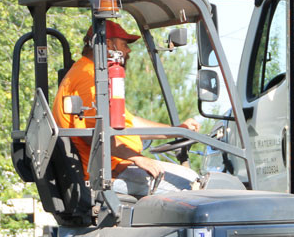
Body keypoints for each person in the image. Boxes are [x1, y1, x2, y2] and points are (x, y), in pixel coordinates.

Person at [52, 20, 201, 197]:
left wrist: (177, 131)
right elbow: (93, 134)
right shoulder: (88, 77)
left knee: (190, 178)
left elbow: (131, 123)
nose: (128, 51)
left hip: (115, 166)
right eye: (124, 44)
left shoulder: (91, 73)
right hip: (104, 174)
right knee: (190, 184)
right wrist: (138, 158)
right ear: (108, 44)